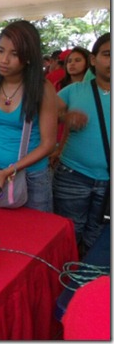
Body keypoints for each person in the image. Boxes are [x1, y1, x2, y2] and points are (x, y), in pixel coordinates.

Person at [0, 20, 57, 212]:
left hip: (32, 176)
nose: (4, 59)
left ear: (28, 57)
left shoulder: (43, 89)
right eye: (1, 51)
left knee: (35, 234)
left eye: (14, 54)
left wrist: (10, 170)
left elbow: (48, 144)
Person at [52, 33, 110, 252]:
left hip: (108, 183)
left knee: (100, 236)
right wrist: (65, 117)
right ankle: (66, 279)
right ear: (94, 60)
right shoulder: (73, 90)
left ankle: (89, 282)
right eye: (107, 54)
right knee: (69, 232)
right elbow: (46, 114)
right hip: (73, 176)